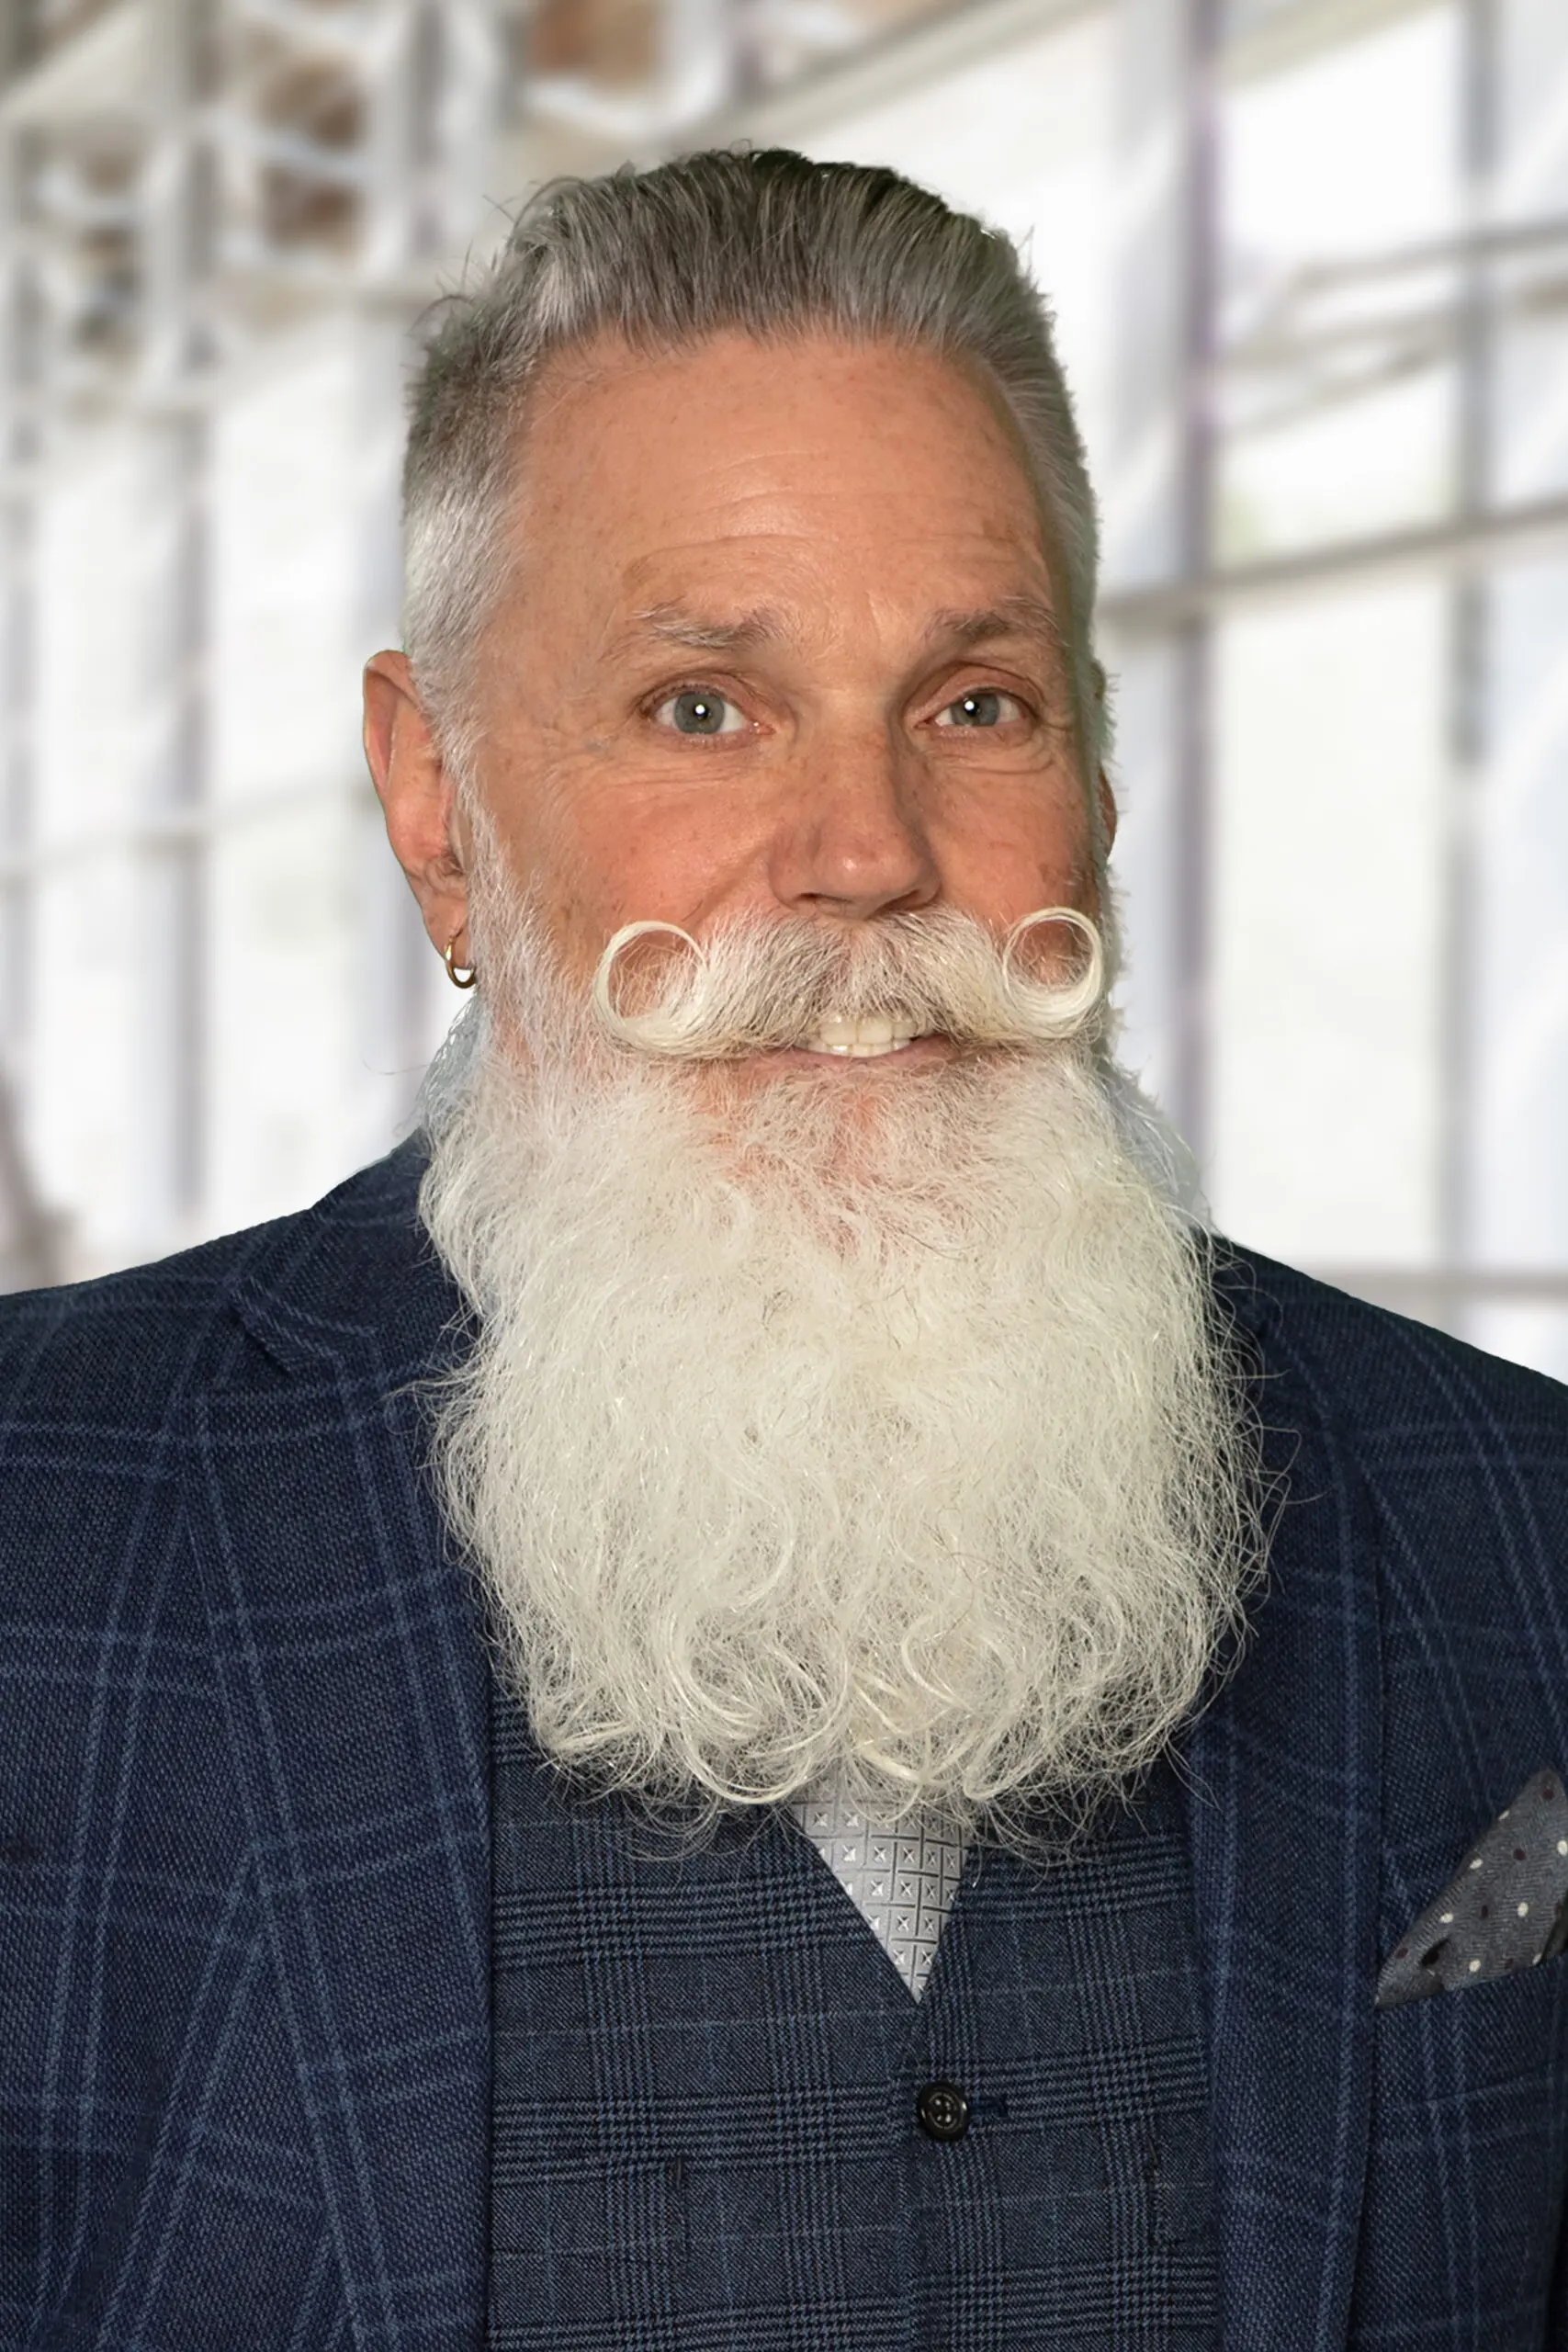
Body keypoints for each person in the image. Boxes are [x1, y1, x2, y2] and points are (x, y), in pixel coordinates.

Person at [3, 147, 1566, 2352]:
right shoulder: (33, 1523)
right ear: (436, 803)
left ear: (1095, 785)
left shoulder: (1521, 1521)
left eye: (975, 703)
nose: (866, 854)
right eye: (703, 705)